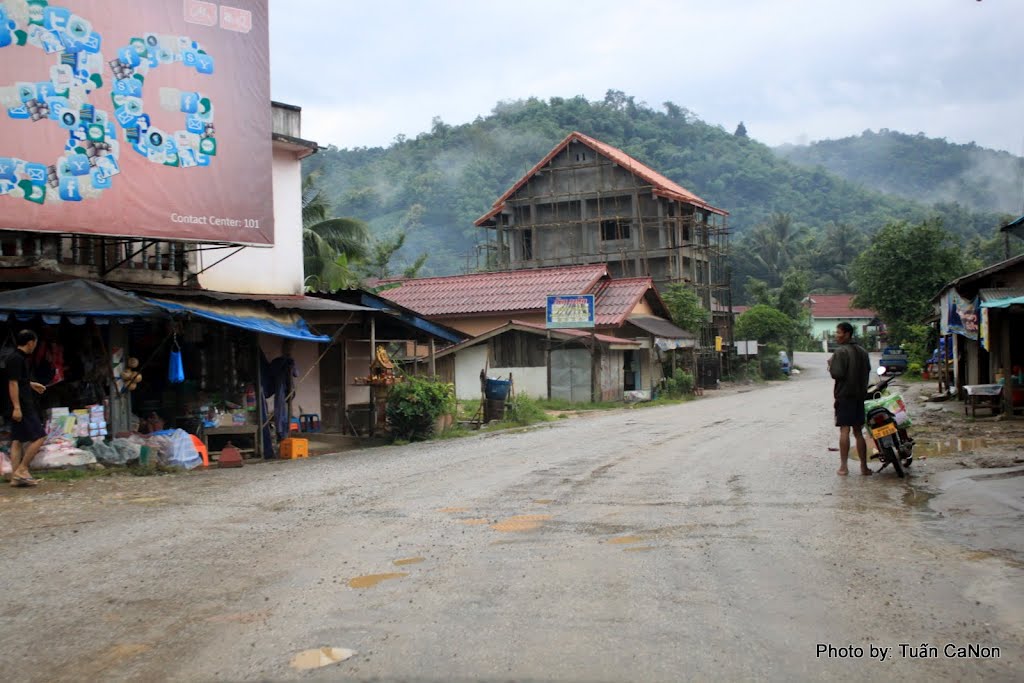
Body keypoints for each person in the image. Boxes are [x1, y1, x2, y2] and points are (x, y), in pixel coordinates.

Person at [2, 330, 47, 487]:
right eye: (35, 342)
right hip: (22, 405)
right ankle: (22, 469)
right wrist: (17, 407)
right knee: (40, 437)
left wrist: (32, 385)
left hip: (20, 403)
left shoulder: (18, 358)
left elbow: (19, 381)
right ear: (30, 343)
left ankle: (16, 478)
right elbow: (12, 383)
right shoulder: (16, 359)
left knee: (17, 441)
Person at [828, 322, 871, 476]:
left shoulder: (840, 352)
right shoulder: (863, 352)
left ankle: (844, 467)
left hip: (845, 396)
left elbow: (837, 374)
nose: (836, 335)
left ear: (847, 334)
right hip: (860, 396)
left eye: (838, 332)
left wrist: (830, 364)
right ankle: (864, 467)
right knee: (858, 431)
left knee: (844, 430)